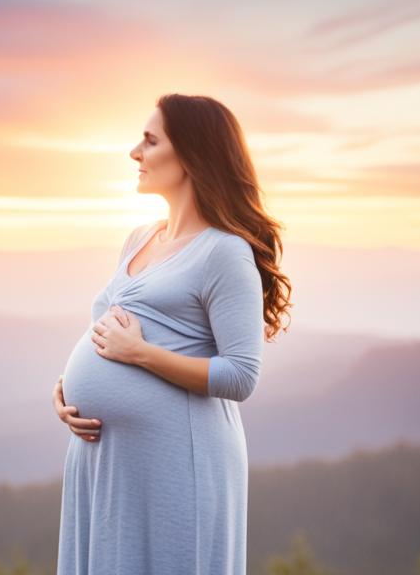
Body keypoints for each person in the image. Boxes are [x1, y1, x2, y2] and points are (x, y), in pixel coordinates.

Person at [51, 93, 292, 574]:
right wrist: (66, 392)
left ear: (191, 154)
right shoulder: (140, 237)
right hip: (109, 463)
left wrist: (139, 355)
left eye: (150, 140)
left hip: (176, 465)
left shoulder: (224, 253)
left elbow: (241, 375)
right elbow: (105, 332)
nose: (134, 153)